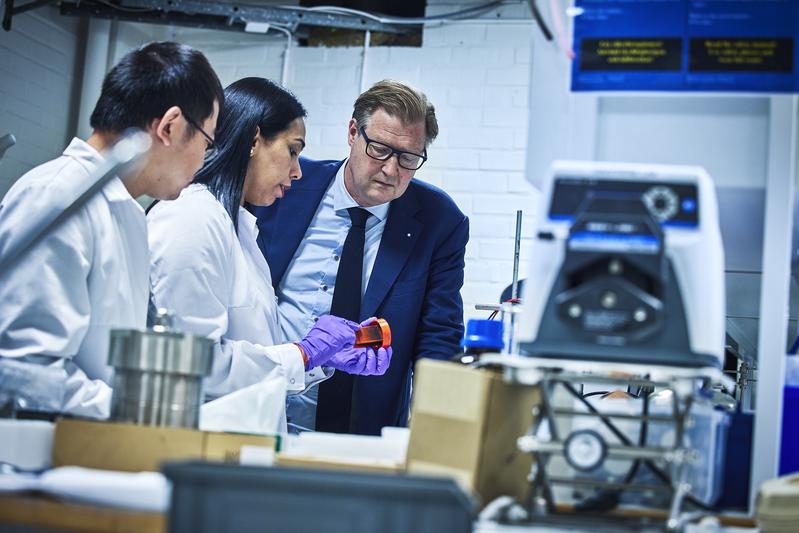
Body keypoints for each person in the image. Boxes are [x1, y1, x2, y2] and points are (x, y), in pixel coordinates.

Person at [0, 42, 223, 418]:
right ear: (170, 126)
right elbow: (25, 370)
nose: (204, 159)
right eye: (207, 142)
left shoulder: (126, 211)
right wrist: (130, 412)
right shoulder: (57, 196)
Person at [147, 77, 391, 407]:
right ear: (253, 139)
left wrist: (318, 360)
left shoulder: (239, 230)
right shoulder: (191, 219)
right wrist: (303, 354)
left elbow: (255, 353)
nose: (297, 171)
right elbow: (191, 364)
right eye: (292, 151)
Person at [252, 79, 469, 435]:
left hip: (363, 428)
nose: (391, 170)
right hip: (262, 409)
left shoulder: (439, 221)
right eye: (380, 149)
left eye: (409, 158)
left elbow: (439, 335)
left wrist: (436, 430)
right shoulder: (287, 186)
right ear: (354, 133)